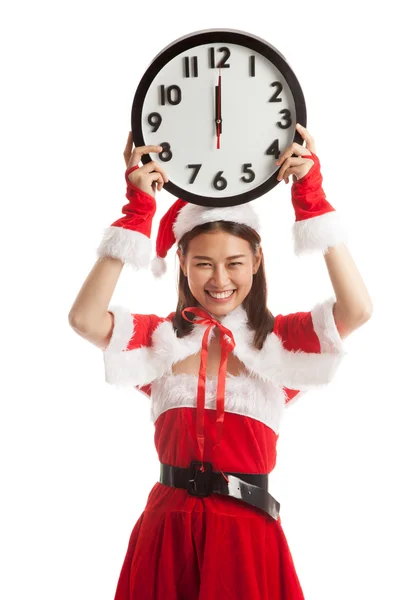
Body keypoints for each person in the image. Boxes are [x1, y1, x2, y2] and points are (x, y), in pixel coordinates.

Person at [68, 123, 373, 600]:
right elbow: (85, 319)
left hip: (245, 538)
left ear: (256, 261)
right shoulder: (162, 339)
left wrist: (311, 199)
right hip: (164, 534)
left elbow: (357, 310)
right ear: (183, 263)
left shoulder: (279, 342)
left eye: (234, 262)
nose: (219, 279)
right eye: (203, 263)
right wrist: (137, 212)